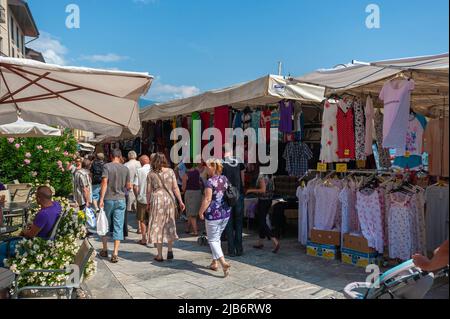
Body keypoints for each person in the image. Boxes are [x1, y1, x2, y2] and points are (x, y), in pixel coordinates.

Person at [146, 153, 185, 262]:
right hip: (169, 200)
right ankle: (170, 250)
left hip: (157, 200)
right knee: (169, 224)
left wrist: (148, 203)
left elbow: (148, 192)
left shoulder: (151, 174)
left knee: (157, 226)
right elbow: (175, 188)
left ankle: (159, 254)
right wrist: (181, 201)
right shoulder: (171, 171)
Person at [198, 158, 232, 277]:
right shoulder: (224, 178)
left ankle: (223, 262)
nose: (205, 168)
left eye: (207, 166)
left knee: (212, 240)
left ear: (212, 167)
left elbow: (207, 199)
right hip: (225, 212)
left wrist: (201, 212)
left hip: (213, 214)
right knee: (216, 238)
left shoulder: (209, 182)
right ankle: (214, 262)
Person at [99, 149, 131, 263]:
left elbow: (104, 182)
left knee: (105, 224)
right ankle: (115, 252)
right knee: (118, 225)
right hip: (121, 199)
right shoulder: (125, 168)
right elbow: (128, 186)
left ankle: (104, 249)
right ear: (120, 156)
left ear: (111, 156)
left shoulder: (107, 166)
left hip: (108, 199)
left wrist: (101, 198)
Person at [246, 172, 280, 253]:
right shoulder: (270, 175)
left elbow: (263, 190)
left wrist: (250, 190)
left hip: (263, 201)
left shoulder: (262, 176)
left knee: (262, 222)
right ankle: (260, 242)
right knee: (262, 221)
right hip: (268, 201)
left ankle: (275, 240)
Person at [222, 144, 246, 257]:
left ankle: (231, 250)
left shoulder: (221, 163)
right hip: (238, 194)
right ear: (232, 151)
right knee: (239, 222)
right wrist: (242, 188)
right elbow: (242, 177)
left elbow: (221, 181)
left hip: (227, 196)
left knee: (229, 223)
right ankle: (239, 249)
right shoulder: (239, 161)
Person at [133, 155, 152, 244]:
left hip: (142, 198)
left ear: (141, 162)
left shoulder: (139, 171)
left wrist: (137, 196)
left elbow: (135, 186)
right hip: (153, 198)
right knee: (153, 218)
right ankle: (152, 237)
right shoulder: (154, 170)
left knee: (142, 219)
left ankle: (144, 238)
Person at [124, 151, 142, 238]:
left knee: (126, 210)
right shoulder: (139, 164)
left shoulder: (126, 165)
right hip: (139, 188)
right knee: (138, 209)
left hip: (128, 188)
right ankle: (139, 227)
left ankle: (126, 227)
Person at [181, 163, 202, 236]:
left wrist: (182, 192)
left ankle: (195, 231)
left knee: (191, 213)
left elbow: (183, 187)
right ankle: (187, 228)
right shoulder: (197, 172)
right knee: (193, 211)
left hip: (190, 193)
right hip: (198, 192)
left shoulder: (186, 175)